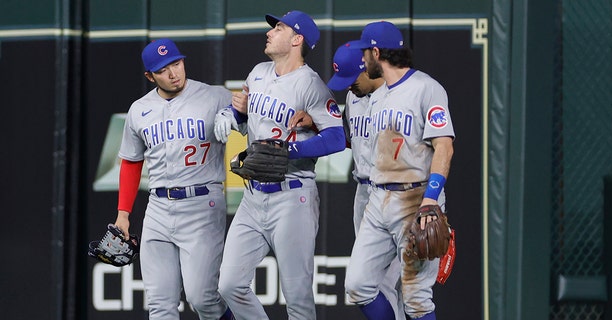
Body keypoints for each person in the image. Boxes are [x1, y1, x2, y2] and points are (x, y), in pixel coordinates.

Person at [213, 10, 346, 320]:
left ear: (297, 39)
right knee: (229, 285)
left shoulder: (311, 84)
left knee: (298, 299)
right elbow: (245, 113)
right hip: (253, 196)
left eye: (280, 27)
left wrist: (290, 149)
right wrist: (230, 116)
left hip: (293, 195)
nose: (270, 31)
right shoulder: (258, 72)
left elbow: (337, 138)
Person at [113, 38, 234, 320]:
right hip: (158, 208)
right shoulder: (139, 110)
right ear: (149, 76)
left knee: (202, 298)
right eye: (163, 69)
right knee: (159, 305)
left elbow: (258, 117)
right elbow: (131, 162)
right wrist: (123, 214)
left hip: (203, 203)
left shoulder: (215, 96)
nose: (173, 73)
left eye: (176, 63)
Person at [343, 21, 455, 320]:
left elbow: (444, 147)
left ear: (376, 52)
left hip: (416, 200)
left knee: (417, 299)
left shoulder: (426, 88)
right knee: (358, 285)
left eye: (366, 53)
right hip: (379, 200)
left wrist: (431, 199)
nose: (363, 60)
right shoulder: (379, 97)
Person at [326, 41, 405, 320]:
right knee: (375, 285)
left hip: (396, 195)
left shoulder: (399, 96)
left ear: (370, 67)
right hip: (364, 192)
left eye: (351, 78)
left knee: (382, 283)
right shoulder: (354, 97)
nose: (348, 86)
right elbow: (358, 143)